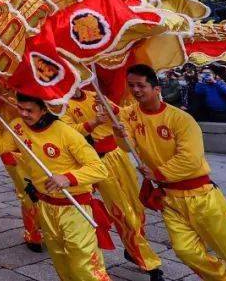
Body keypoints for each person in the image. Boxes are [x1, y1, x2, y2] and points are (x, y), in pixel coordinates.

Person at [116, 64, 226, 281]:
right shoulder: (130, 115)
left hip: (201, 196)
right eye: (131, 85)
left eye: (141, 85)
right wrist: (117, 131)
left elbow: (190, 159)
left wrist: (158, 173)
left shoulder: (181, 119)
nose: (136, 90)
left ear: (156, 88)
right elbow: (126, 145)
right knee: (185, 251)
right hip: (169, 199)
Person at [0, 94, 109, 281]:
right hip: (46, 206)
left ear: (44, 110)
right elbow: (0, 147)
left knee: (84, 262)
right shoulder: (18, 125)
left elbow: (99, 169)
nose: (24, 114)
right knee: (60, 257)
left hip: (73, 207)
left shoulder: (65, 132)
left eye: (30, 110)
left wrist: (69, 178)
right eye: (21, 108)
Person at [63, 87, 163, 280]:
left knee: (137, 206)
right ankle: (150, 263)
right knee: (122, 211)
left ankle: (132, 248)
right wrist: (93, 123)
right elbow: (69, 133)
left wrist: (112, 110)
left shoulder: (95, 95)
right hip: (98, 162)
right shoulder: (61, 106)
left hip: (118, 155)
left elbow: (123, 113)